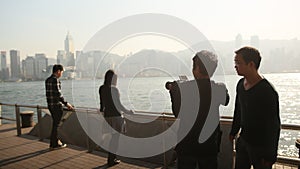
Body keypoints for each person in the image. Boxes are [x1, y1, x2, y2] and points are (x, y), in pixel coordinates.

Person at [166, 50, 229, 169]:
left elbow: (177, 113)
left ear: (197, 68)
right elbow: (226, 100)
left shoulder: (183, 89)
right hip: (209, 145)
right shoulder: (219, 88)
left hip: (187, 145)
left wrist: (174, 89)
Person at [229, 46, 281, 169]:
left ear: (251, 64)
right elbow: (239, 109)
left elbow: (273, 125)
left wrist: (270, 156)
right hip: (244, 141)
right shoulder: (241, 84)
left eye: (238, 63)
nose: (235, 66)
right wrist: (233, 131)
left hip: (260, 147)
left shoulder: (267, 91)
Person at [99, 70, 133, 167]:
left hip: (107, 117)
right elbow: (119, 105)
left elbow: (102, 104)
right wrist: (128, 112)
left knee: (112, 139)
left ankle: (112, 158)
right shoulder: (114, 89)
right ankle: (111, 159)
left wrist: (102, 110)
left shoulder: (102, 88)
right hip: (116, 117)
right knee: (115, 139)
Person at [45, 64, 74, 150]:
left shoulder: (47, 80)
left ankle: (53, 143)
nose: (61, 74)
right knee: (56, 125)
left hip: (50, 106)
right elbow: (58, 94)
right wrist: (66, 104)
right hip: (57, 106)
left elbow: (48, 94)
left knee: (55, 124)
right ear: (58, 71)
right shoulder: (55, 80)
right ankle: (55, 144)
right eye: (61, 72)